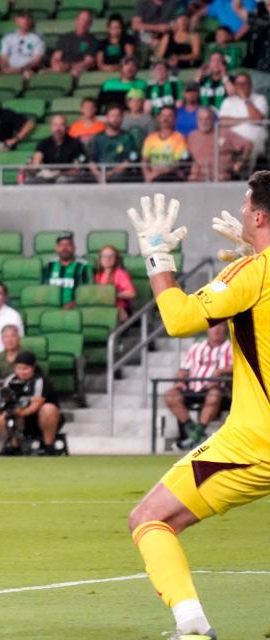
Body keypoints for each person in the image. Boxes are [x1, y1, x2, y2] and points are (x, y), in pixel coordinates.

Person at [122, 180, 270, 640]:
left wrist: (157, 258)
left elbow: (180, 318)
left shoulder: (253, 272)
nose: (241, 211)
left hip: (258, 439)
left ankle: (191, 625)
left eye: (246, 205)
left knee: (150, 518)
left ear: (260, 217)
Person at [163, 322, 232, 451]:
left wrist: (220, 371)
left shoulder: (231, 347)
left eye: (220, 326)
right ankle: (197, 435)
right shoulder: (196, 347)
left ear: (225, 330)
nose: (216, 330)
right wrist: (180, 379)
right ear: (207, 331)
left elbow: (237, 366)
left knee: (214, 395)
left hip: (218, 389)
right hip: (194, 386)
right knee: (170, 394)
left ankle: (194, 437)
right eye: (213, 327)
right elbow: (184, 369)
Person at [0, 350, 64, 456]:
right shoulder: (10, 380)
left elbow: (36, 404)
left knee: (48, 408)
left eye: (25, 369)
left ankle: (48, 447)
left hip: (41, 419)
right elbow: (5, 399)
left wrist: (20, 413)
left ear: (33, 367)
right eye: (19, 368)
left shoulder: (41, 380)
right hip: (20, 418)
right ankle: (13, 446)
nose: (22, 372)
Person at [217, 73, 268, 173]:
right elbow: (222, 121)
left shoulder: (259, 99)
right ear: (235, 85)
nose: (242, 86)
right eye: (239, 83)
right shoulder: (228, 101)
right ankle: (226, 173)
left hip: (254, 138)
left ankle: (243, 172)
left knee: (251, 145)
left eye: (245, 83)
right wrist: (246, 119)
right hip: (233, 138)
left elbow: (257, 118)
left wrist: (246, 100)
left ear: (251, 85)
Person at [187, 107, 252, 183]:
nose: (204, 122)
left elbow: (248, 145)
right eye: (200, 119)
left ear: (213, 120)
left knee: (221, 178)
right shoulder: (192, 136)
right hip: (198, 177)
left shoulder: (224, 133)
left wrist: (240, 162)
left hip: (221, 176)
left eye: (207, 118)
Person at [28, 114, 90, 184]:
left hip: (68, 178)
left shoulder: (76, 144)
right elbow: (36, 162)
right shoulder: (43, 143)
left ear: (66, 127)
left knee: (61, 180)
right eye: (55, 125)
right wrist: (33, 165)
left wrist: (79, 162)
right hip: (47, 177)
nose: (58, 129)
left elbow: (81, 161)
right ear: (51, 127)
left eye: (61, 125)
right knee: (30, 181)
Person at [42, 233, 93, 308]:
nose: (64, 248)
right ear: (56, 248)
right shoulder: (49, 265)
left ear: (74, 248)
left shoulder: (84, 266)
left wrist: (75, 303)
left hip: (76, 309)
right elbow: (43, 289)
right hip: (51, 308)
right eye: (61, 245)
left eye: (68, 245)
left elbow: (89, 291)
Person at [142, 106, 189, 183]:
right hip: (153, 177)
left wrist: (157, 173)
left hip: (171, 177)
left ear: (175, 119)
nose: (165, 119)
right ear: (158, 118)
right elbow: (144, 160)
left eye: (169, 116)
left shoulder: (180, 138)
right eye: (163, 116)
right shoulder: (150, 138)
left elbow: (178, 163)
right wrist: (147, 175)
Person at [50, 9, 99, 77]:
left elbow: (88, 62)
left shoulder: (93, 41)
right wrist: (57, 66)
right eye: (82, 20)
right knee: (42, 73)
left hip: (78, 70)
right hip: (62, 67)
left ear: (90, 24)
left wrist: (69, 66)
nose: (83, 23)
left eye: (87, 21)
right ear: (76, 21)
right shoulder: (65, 37)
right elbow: (55, 57)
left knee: (74, 73)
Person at [94, 244, 137, 322]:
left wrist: (113, 294)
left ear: (116, 259)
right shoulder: (98, 275)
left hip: (118, 310)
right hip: (102, 308)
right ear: (100, 259)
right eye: (104, 256)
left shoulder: (120, 274)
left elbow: (131, 293)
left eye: (111, 256)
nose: (107, 259)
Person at [0, 10, 45, 77]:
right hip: (9, 69)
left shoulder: (38, 38)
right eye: (22, 17)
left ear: (31, 21)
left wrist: (20, 69)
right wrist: (5, 69)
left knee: (28, 74)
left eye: (28, 18)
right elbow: (3, 58)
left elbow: (36, 61)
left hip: (28, 70)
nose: (25, 20)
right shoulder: (7, 38)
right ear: (16, 21)